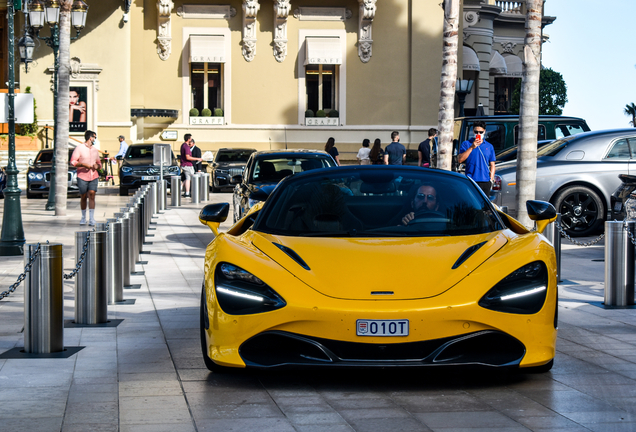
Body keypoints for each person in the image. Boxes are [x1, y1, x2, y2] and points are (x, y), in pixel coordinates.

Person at [70, 130, 102, 226]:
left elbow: (99, 163)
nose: (95, 139)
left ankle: (92, 218)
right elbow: (73, 161)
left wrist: (97, 166)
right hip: (82, 176)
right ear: (90, 138)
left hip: (94, 176)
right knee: (83, 196)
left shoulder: (95, 150)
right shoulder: (79, 148)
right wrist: (83, 164)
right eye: (94, 137)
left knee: (92, 195)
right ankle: (83, 217)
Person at [458, 121, 496, 196]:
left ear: (484, 131)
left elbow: (492, 164)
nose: (478, 134)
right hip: (471, 179)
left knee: (484, 205)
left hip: (485, 181)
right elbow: (460, 160)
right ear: (473, 131)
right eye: (476, 132)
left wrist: (491, 179)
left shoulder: (489, 146)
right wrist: (472, 147)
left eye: (481, 132)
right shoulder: (466, 144)